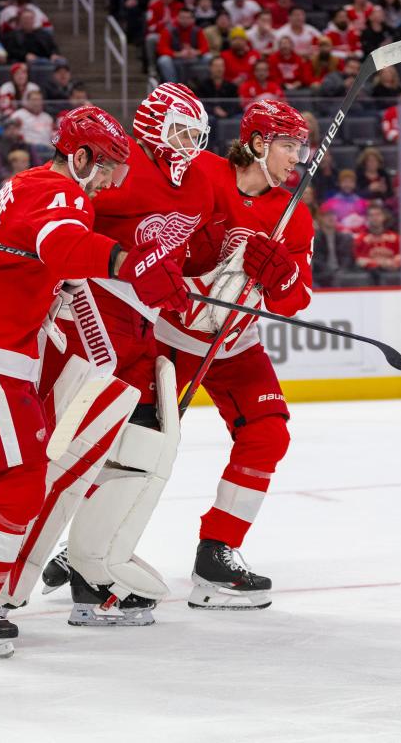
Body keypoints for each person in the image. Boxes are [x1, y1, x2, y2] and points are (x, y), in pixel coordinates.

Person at [0, 107, 181, 657]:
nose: (107, 182)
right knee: (23, 480)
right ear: (78, 157)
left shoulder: (24, 185)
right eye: (104, 168)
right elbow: (62, 246)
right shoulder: (64, 194)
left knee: (18, 476)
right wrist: (128, 261)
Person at [24, 84, 220, 627]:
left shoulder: (201, 178)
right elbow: (61, 230)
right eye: (181, 130)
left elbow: (197, 245)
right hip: (96, 313)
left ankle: (91, 562)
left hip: (144, 324)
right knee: (88, 436)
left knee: (145, 440)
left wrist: (232, 260)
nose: (190, 142)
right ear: (155, 123)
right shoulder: (120, 168)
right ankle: (31, 571)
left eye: (196, 133)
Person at [140, 100, 314, 609]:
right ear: (258, 143)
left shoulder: (293, 213)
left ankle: (218, 552)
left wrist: (281, 277)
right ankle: (83, 545)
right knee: (137, 443)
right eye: (287, 145)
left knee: (268, 432)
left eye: (299, 147)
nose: (295, 158)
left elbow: (297, 296)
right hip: (172, 338)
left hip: (237, 346)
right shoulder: (202, 173)